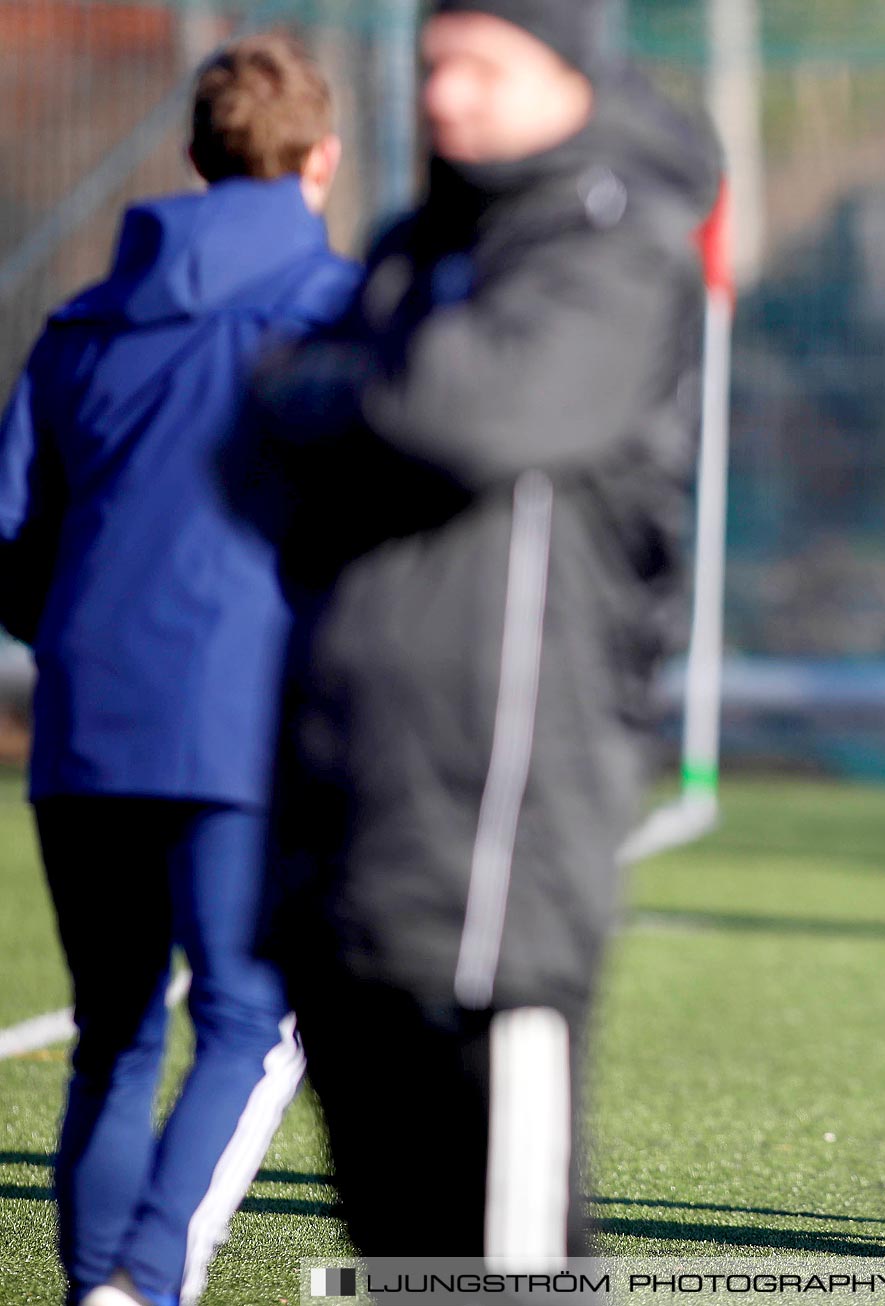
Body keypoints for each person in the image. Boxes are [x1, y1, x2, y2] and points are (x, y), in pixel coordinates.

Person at [228, 0, 718, 1261]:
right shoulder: (413, 244)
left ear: (567, 71)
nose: (446, 93)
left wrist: (342, 400)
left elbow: (475, 410)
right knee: (399, 1253)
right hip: (349, 815)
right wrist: (353, 404)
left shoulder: (611, 238)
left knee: (506, 1266)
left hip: (498, 836)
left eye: (483, 64)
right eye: (435, 61)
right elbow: (250, 438)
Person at [0, 34, 356, 1306]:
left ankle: (100, 1282)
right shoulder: (339, 313)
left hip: (88, 720)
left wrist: (84, 646)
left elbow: (12, 539)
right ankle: (143, 1281)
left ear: (198, 156)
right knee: (248, 1018)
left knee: (112, 1032)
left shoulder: (81, 324)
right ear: (321, 160)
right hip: (246, 723)